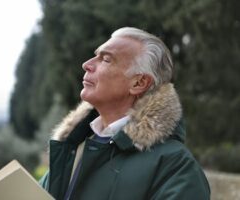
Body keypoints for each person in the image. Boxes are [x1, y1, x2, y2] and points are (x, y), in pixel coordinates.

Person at [40, 27, 210, 200]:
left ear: (139, 83)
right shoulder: (73, 147)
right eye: (96, 56)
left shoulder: (175, 166)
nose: (87, 64)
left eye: (106, 59)